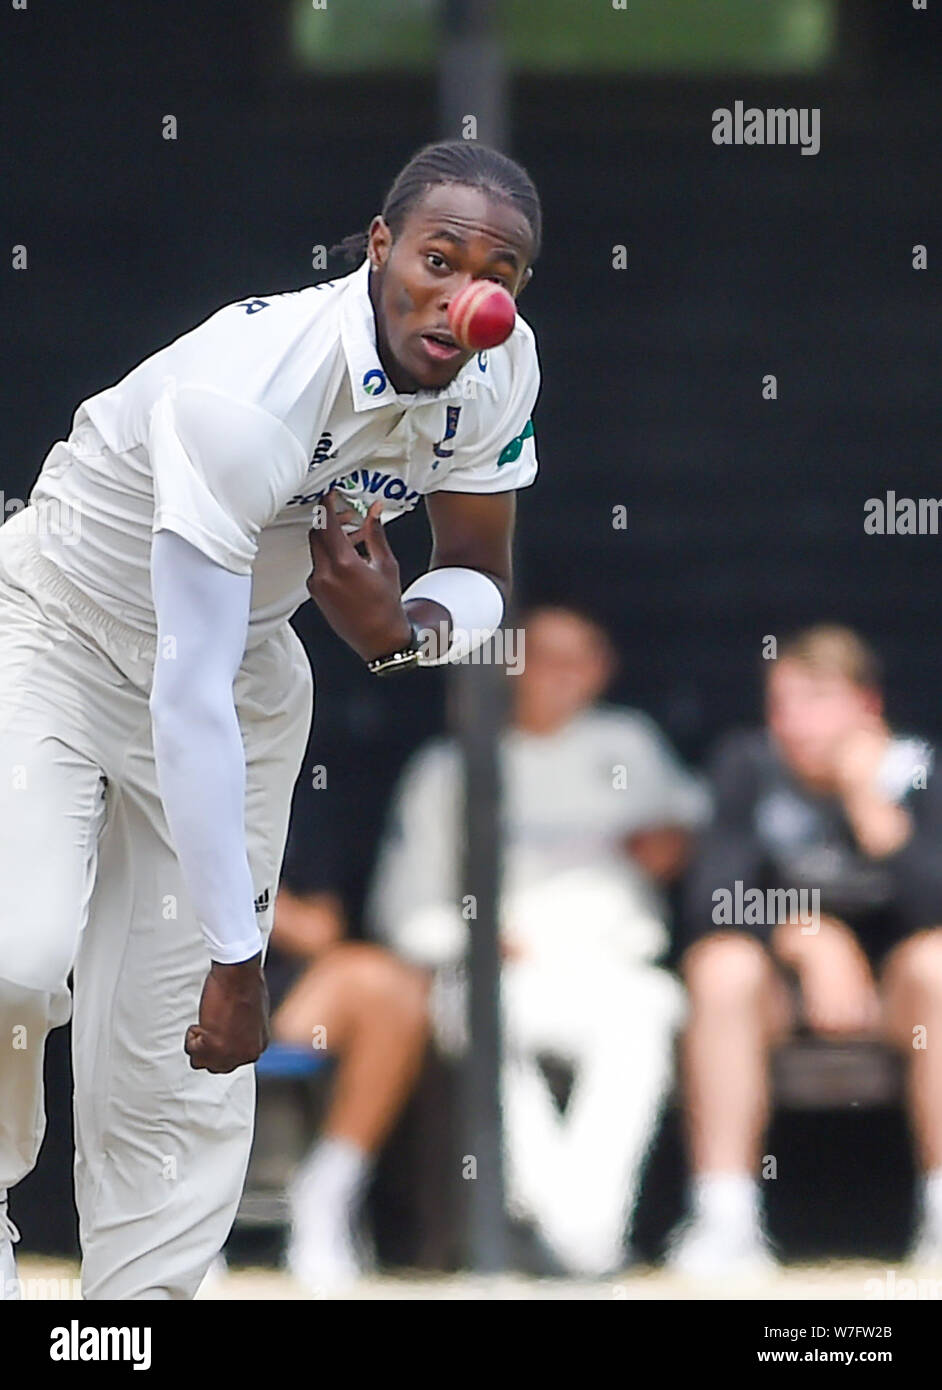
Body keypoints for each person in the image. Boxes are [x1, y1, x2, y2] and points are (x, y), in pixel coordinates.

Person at [0, 139, 542, 1300]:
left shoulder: (503, 370)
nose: (467, 300)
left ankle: (136, 1318)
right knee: (17, 952)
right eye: (437, 260)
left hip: (243, 660)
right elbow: (176, 689)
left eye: (498, 272)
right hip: (53, 627)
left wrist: (404, 629)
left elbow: (482, 566)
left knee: (175, 1041)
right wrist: (243, 963)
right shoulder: (250, 384)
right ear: (379, 248)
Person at [367, 606, 708, 1276]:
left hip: (613, 967)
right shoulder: (449, 767)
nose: (565, 674)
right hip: (498, 970)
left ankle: (576, 1233)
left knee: (645, 1018)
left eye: (582, 656)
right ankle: (581, 1237)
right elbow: (402, 908)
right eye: (547, 655)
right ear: (508, 663)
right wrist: (476, 936)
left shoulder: (630, 745)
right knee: (481, 1020)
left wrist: (673, 846)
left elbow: (696, 825)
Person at [669, 625, 942, 1277]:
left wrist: (869, 806)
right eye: (781, 703)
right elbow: (705, 905)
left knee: (939, 962)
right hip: (783, 1001)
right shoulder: (749, 764)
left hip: (899, 998)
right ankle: (724, 1219)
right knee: (721, 968)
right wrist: (805, 933)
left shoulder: (918, 769)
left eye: (815, 700)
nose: (795, 722)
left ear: (866, 707)